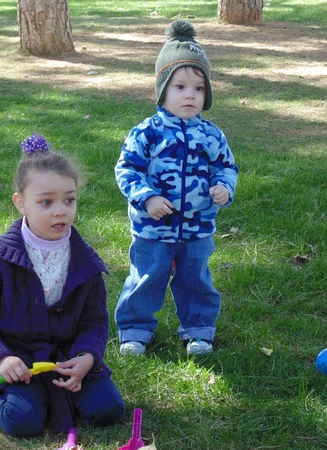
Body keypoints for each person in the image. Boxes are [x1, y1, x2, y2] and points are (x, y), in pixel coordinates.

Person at [0, 133, 125, 436]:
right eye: (46, 202)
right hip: (15, 357)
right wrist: (0, 357)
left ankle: (58, 397)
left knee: (108, 410)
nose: (60, 210)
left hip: (65, 358)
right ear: (21, 204)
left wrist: (86, 356)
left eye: (69, 199)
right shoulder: (0, 257)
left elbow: (94, 321)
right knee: (24, 421)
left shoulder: (84, 261)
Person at [114, 20, 239, 357]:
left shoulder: (212, 135)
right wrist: (147, 197)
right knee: (146, 278)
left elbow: (226, 166)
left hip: (197, 229)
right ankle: (135, 329)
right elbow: (127, 169)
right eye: (180, 87)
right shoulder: (147, 133)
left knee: (196, 279)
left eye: (198, 89)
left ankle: (198, 329)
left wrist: (223, 187)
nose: (190, 95)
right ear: (162, 90)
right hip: (153, 228)